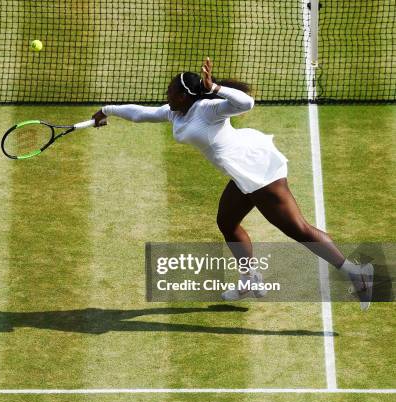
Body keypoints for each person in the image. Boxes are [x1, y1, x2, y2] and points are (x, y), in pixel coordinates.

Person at [92, 57, 374, 310]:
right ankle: (249, 278)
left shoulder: (208, 108)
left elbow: (245, 104)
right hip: (242, 174)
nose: (166, 97)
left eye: (170, 93)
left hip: (259, 172)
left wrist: (215, 88)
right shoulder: (175, 111)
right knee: (227, 222)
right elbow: (141, 113)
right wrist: (107, 110)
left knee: (297, 229)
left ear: (184, 96)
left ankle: (355, 271)